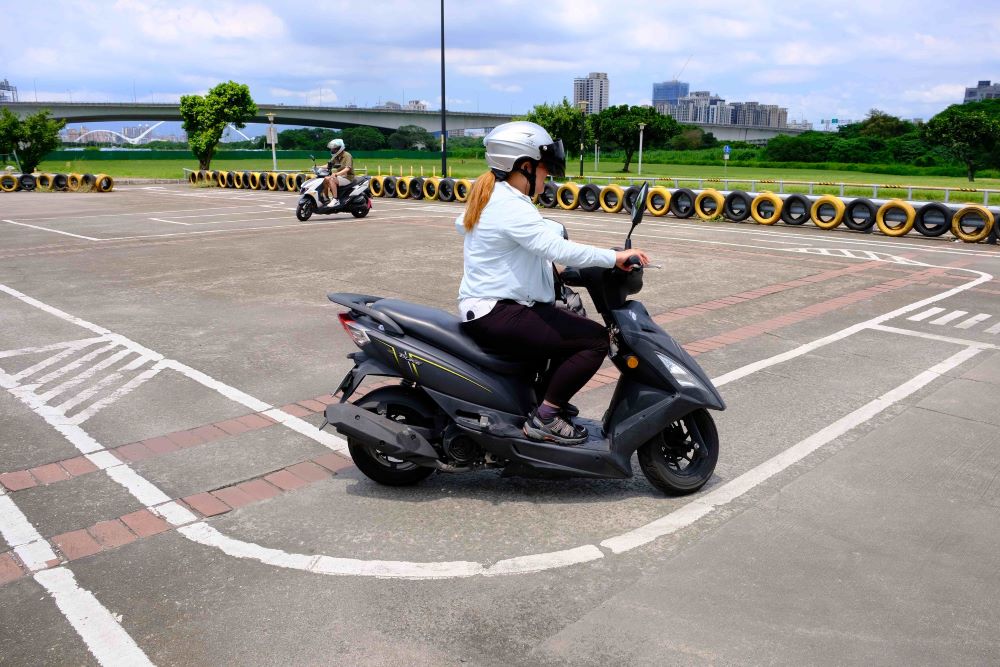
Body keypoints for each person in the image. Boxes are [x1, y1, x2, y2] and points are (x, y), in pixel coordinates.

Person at [456, 121, 650, 446]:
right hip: (498, 311)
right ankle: (546, 416)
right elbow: (553, 247)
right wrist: (613, 257)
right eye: (545, 169)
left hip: (493, 307)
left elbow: (515, 252)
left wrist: (558, 272)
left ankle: (542, 400)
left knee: (563, 321)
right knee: (594, 340)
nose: (548, 177)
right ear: (525, 166)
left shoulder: (496, 198)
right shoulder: (509, 205)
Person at [321, 138, 354, 204]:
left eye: (334, 149)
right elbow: (328, 165)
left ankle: (335, 199)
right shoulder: (336, 156)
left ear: (340, 148)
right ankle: (326, 198)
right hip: (340, 177)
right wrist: (317, 167)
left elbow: (348, 168)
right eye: (332, 149)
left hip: (348, 177)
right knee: (325, 179)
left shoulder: (347, 155)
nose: (332, 150)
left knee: (331, 179)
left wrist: (336, 174)